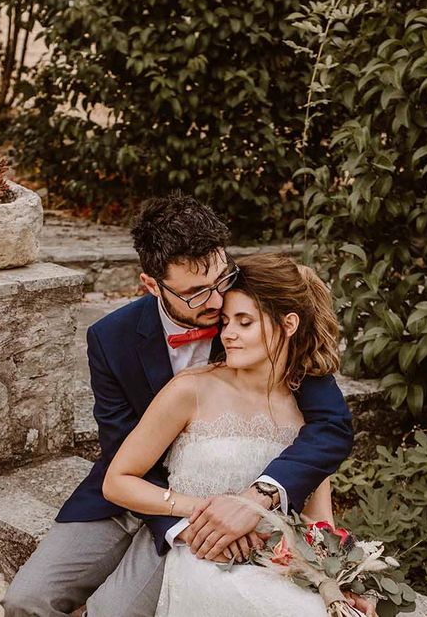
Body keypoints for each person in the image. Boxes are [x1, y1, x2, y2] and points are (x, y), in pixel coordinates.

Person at [3, 194, 355, 617]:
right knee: (27, 600)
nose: (215, 303)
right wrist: (194, 518)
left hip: (229, 496)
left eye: (220, 280)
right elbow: (122, 452)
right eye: (195, 293)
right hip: (131, 496)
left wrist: (255, 500)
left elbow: (331, 427)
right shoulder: (110, 338)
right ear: (152, 285)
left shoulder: (253, 312)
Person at [102, 252, 375, 616]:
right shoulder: (192, 389)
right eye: (226, 321)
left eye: (244, 323)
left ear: (288, 324)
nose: (228, 334)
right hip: (201, 558)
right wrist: (209, 513)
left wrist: (338, 583)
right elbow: (117, 481)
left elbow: (319, 525)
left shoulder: (306, 417)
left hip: (272, 567)